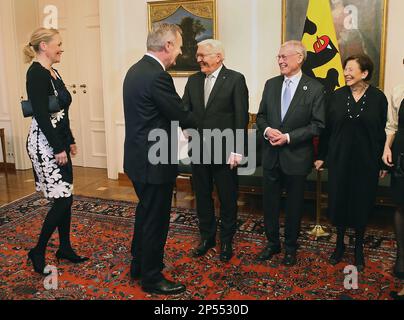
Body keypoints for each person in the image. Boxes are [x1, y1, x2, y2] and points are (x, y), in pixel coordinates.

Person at [123, 23, 196, 295]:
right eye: (177, 46)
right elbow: (179, 112)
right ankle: (152, 277)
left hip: (137, 158)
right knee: (156, 219)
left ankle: (139, 263)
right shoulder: (158, 76)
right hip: (154, 161)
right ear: (167, 46)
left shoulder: (135, 70)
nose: (178, 53)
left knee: (145, 212)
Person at [23, 28, 88, 275]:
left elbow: (62, 113)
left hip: (58, 141)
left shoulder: (53, 71)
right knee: (63, 200)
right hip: (45, 144)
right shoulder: (36, 74)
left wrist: (69, 139)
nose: (62, 48)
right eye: (58, 44)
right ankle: (38, 250)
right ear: (43, 46)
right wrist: (58, 147)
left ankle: (65, 248)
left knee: (66, 196)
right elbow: (41, 114)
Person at [256, 40, 326, 266]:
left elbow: (317, 125)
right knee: (270, 204)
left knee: (294, 206)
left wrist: (288, 137)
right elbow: (261, 116)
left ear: (300, 58)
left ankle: (290, 247)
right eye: (278, 57)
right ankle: (272, 243)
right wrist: (267, 130)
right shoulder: (271, 84)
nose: (280, 61)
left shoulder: (314, 88)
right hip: (270, 156)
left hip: (296, 157)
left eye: (284, 57)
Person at [316, 54, 388, 272]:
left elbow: (383, 133)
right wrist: (321, 156)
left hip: (367, 161)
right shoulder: (336, 97)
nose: (346, 73)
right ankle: (339, 245)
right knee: (338, 200)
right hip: (339, 159)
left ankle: (358, 247)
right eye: (345, 69)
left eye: (351, 69)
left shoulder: (378, 98)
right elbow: (326, 131)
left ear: (364, 73)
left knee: (361, 202)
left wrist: (383, 164)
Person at [182, 39, 249, 262]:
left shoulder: (235, 80)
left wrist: (238, 149)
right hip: (199, 150)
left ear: (219, 56)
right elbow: (185, 110)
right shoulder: (193, 81)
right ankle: (207, 237)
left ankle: (227, 240)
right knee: (202, 196)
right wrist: (187, 129)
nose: (198, 59)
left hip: (225, 151)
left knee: (228, 198)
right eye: (198, 55)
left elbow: (241, 118)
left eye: (203, 55)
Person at [383, 82, 404, 300]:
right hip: (402, 154)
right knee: (401, 205)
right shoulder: (399, 91)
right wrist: (387, 147)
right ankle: (401, 257)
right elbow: (392, 125)